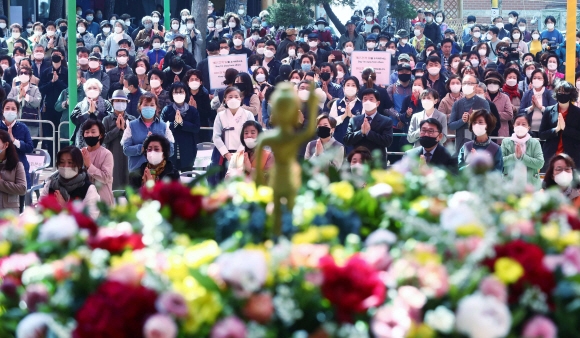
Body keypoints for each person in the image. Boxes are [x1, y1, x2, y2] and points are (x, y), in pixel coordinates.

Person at [209, 87, 255, 185]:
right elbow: (216, 136)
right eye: (230, 97)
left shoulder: (248, 114)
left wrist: (239, 154)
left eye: (236, 96)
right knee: (223, 183)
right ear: (225, 99)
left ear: (240, 99)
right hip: (224, 154)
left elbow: (251, 135)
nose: (233, 99)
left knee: (242, 183)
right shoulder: (220, 115)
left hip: (244, 153)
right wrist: (227, 154)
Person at [40, 146, 100, 219]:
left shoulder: (88, 189)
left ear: (79, 165)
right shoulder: (50, 185)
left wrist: (64, 206)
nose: (66, 166)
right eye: (62, 162)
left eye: (70, 162)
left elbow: (91, 218)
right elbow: (39, 209)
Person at [122, 93, 175, 172]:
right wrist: (142, 148)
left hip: (159, 172)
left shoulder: (164, 126)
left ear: (156, 107)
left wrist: (157, 149)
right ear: (140, 107)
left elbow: (171, 151)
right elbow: (126, 150)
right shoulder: (131, 125)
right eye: (145, 105)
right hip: (137, 172)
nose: (149, 107)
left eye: (152, 105)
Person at [343, 88, 393, 167]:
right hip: (358, 163)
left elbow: (387, 141)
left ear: (378, 103)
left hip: (377, 163)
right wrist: (361, 133)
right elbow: (347, 140)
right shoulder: (354, 120)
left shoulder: (386, 121)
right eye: (365, 99)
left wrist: (369, 133)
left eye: (371, 99)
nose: (367, 102)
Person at [0, 99, 33, 211]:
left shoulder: (22, 128)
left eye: (13, 109)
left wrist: (14, 140)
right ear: (2, 110)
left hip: (18, 170)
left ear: (18, 112)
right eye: (7, 108)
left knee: (18, 208)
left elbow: (29, 147)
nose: (10, 111)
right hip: (1, 169)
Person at [539, 81, 580, 170]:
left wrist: (565, 129)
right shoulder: (548, 111)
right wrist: (556, 129)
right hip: (551, 156)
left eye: (565, 92)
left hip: (572, 157)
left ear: (571, 94)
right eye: (560, 92)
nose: (563, 94)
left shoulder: (578, 112)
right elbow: (541, 134)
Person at [161, 82, 200, 171]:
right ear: (171, 94)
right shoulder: (167, 110)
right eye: (176, 92)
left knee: (187, 180)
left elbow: (196, 128)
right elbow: (162, 127)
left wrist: (182, 123)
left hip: (188, 150)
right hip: (171, 150)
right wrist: (175, 123)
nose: (178, 94)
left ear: (186, 93)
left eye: (181, 92)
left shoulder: (192, 110)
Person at [102, 90, 135, 190]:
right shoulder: (107, 120)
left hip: (128, 158)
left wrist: (124, 128)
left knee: (128, 183)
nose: (120, 103)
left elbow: (135, 138)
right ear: (112, 103)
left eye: (122, 101)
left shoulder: (132, 119)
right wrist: (117, 129)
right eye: (117, 101)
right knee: (114, 183)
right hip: (112, 155)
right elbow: (104, 139)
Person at [449, 75, 491, 153]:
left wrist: (474, 120)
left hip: (479, 142)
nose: (466, 85)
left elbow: (488, 124)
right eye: (464, 83)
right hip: (461, 142)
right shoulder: (457, 104)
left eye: (469, 83)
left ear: (476, 86)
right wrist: (462, 121)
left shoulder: (483, 103)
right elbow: (451, 125)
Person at [501, 113, 544, 187]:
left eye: (523, 124)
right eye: (517, 124)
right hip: (509, 185)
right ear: (513, 125)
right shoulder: (506, 142)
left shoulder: (535, 143)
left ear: (528, 127)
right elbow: (500, 161)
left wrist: (522, 157)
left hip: (530, 186)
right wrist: (514, 157)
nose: (520, 126)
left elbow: (540, 163)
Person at [80, 119, 114, 206]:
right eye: (86, 132)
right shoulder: (80, 153)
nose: (89, 135)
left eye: (93, 132)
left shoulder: (107, 154)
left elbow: (106, 178)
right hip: (83, 200)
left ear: (100, 135)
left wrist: (89, 165)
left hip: (102, 202)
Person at [71, 78, 113, 147]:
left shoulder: (106, 103)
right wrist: (88, 113)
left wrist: (96, 112)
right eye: (89, 88)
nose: (92, 90)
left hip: (102, 138)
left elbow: (110, 118)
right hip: (83, 139)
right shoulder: (80, 104)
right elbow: (74, 119)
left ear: (99, 90)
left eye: (95, 88)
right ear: (85, 91)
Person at [7, 66, 42, 140]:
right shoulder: (14, 89)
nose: (23, 75)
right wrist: (19, 97)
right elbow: (8, 102)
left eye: (26, 73)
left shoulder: (35, 89)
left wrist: (26, 96)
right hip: (15, 123)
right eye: (21, 73)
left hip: (31, 124)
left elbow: (37, 103)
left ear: (30, 76)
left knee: (30, 146)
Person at [519, 69, 557, 136]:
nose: (536, 80)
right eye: (534, 78)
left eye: (539, 78)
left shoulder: (550, 93)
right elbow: (520, 111)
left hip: (545, 129)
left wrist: (539, 107)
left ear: (544, 80)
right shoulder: (527, 93)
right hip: (529, 130)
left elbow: (553, 112)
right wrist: (531, 107)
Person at [329, 76, 362, 154]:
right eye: (348, 85)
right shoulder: (336, 103)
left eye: (353, 85)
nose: (350, 87)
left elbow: (364, 123)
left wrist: (351, 116)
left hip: (356, 141)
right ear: (343, 88)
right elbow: (331, 122)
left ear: (357, 89)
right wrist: (343, 116)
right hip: (338, 139)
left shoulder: (362, 104)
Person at [0, 129, 26, 213]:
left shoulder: (17, 165)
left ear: (6, 145)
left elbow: (22, 189)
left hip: (9, 213)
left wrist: (1, 183)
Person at [483, 71, 513, 138]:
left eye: (495, 82)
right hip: (483, 132)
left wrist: (493, 114)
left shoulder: (505, 97)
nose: (492, 84)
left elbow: (509, 115)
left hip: (501, 132)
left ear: (499, 84)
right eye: (490, 82)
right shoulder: (482, 96)